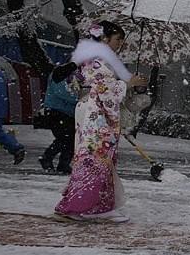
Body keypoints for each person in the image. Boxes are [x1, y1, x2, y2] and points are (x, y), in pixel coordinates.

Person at [54, 21, 146, 223]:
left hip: (94, 111)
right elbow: (104, 90)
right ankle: (81, 205)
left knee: (101, 159)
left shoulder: (92, 58)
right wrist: (128, 84)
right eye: (117, 39)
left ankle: (100, 205)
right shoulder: (96, 60)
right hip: (97, 113)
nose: (120, 43)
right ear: (105, 39)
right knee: (95, 158)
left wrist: (125, 83)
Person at [38, 64, 79, 174]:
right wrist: (79, 98)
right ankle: (47, 157)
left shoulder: (73, 74)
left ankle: (63, 164)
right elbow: (61, 92)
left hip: (68, 112)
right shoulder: (60, 73)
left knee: (71, 139)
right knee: (65, 137)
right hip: (56, 111)